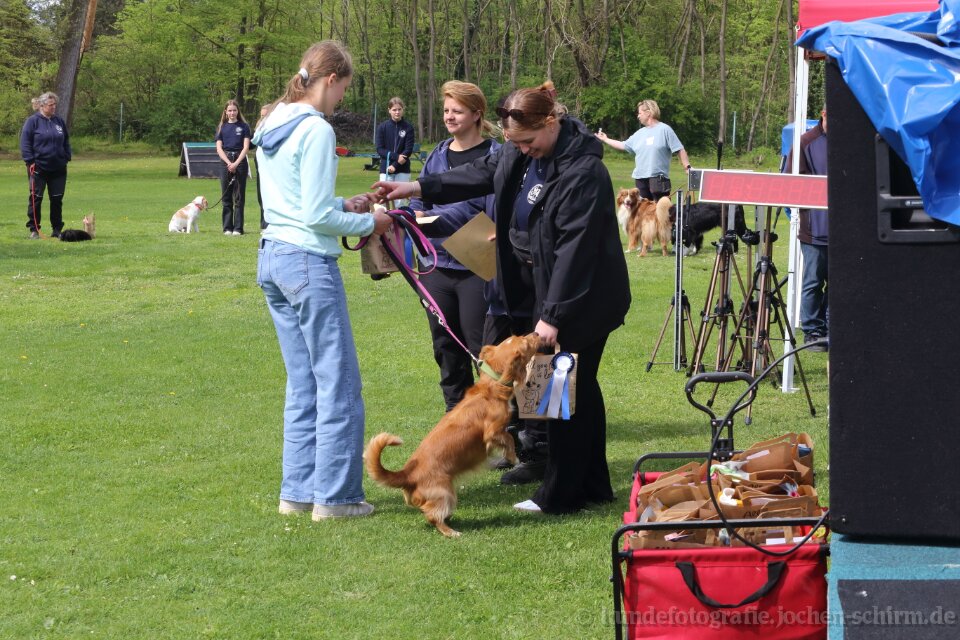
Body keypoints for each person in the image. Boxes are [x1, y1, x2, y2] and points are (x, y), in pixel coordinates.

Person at [375, 81, 631, 515]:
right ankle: (593, 485)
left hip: (582, 296)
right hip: (542, 288)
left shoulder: (582, 172)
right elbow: (480, 174)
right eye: (515, 143)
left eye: (528, 142)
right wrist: (417, 188)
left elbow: (575, 250)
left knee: (556, 390)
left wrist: (552, 317)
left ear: (550, 122)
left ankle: (559, 494)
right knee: (579, 389)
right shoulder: (518, 151)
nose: (523, 150)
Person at [252, 41, 392, 520]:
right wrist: (370, 222)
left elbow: (294, 201)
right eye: (343, 90)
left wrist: (343, 205)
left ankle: (296, 493)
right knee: (339, 384)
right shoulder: (314, 128)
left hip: (273, 257)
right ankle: (336, 498)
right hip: (308, 263)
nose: (341, 100)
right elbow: (313, 216)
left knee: (304, 384)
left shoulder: (273, 120)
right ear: (331, 80)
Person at [408, 81, 500, 412]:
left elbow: (489, 210)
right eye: (446, 110)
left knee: (481, 346)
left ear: (477, 114)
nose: (449, 116)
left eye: (457, 111)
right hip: (435, 266)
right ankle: (456, 416)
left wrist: (436, 219)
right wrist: (414, 215)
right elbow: (419, 198)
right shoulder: (437, 154)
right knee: (445, 346)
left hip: (476, 265)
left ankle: (495, 417)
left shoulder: (496, 156)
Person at [787, 107, 829, 352]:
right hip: (814, 229)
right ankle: (812, 331)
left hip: (844, 229)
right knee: (813, 281)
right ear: (824, 113)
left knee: (840, 281)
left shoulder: (850, 140)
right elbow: (791, 182)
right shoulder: (805, 142)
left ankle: (830, 326)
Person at [596, 99, 691, 201]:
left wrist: (687, 167)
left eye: (640, 113)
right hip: (640, 180)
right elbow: (623, 145)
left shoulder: (665, 129)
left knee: (661, 209)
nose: (638, 116)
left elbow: (679, 149)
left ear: (648, 113)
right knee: (642, 210)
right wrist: (605, 139)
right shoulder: (639, 133)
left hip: (658, 180)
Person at [20, 92, 71, 239]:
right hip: (38, 168)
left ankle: (57, 229)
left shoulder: (59, 121)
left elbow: (66, 140)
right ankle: (34, 229)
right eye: (50, 105)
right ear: (42, 106)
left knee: (56, 199)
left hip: (58, 168)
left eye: (55, 104)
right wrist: (30, 161)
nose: (54, 107)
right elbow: (25, 143)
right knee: (36, 198)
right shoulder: (32, 122)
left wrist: (67, 156)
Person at [215, 99, 252, 235]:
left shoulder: (244, 126)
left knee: (239, 196)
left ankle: (238, 228)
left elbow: (246, 147)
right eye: (230, 110)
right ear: (226, 112)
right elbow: (219, 148)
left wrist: (236, 163)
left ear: (238, 111)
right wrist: (228, 163)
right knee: (226, 196)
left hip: (240, 161)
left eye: (234, 110)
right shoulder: (222, 127)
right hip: (225, 161)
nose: (232, 113)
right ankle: (227, 228)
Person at [375, 97, 415, 186]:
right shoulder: (382, 127)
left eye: (399, 109)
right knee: (385, 195)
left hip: (403, 170)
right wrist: (396, 157)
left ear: (403, 109)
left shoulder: (408, 127)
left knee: (401, 195)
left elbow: (408, 150)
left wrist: (394, 165)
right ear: (389, 110)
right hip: (386, 170)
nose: (397, 112)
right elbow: (380, 149)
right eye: (394, 110)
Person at [255, 105, 269, 232]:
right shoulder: (259, 127)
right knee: (261, 195)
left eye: (266, 115)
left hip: (270, 164)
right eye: (262, 116)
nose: (263, 118)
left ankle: (269, 224)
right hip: (260, 164)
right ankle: (263, 224)